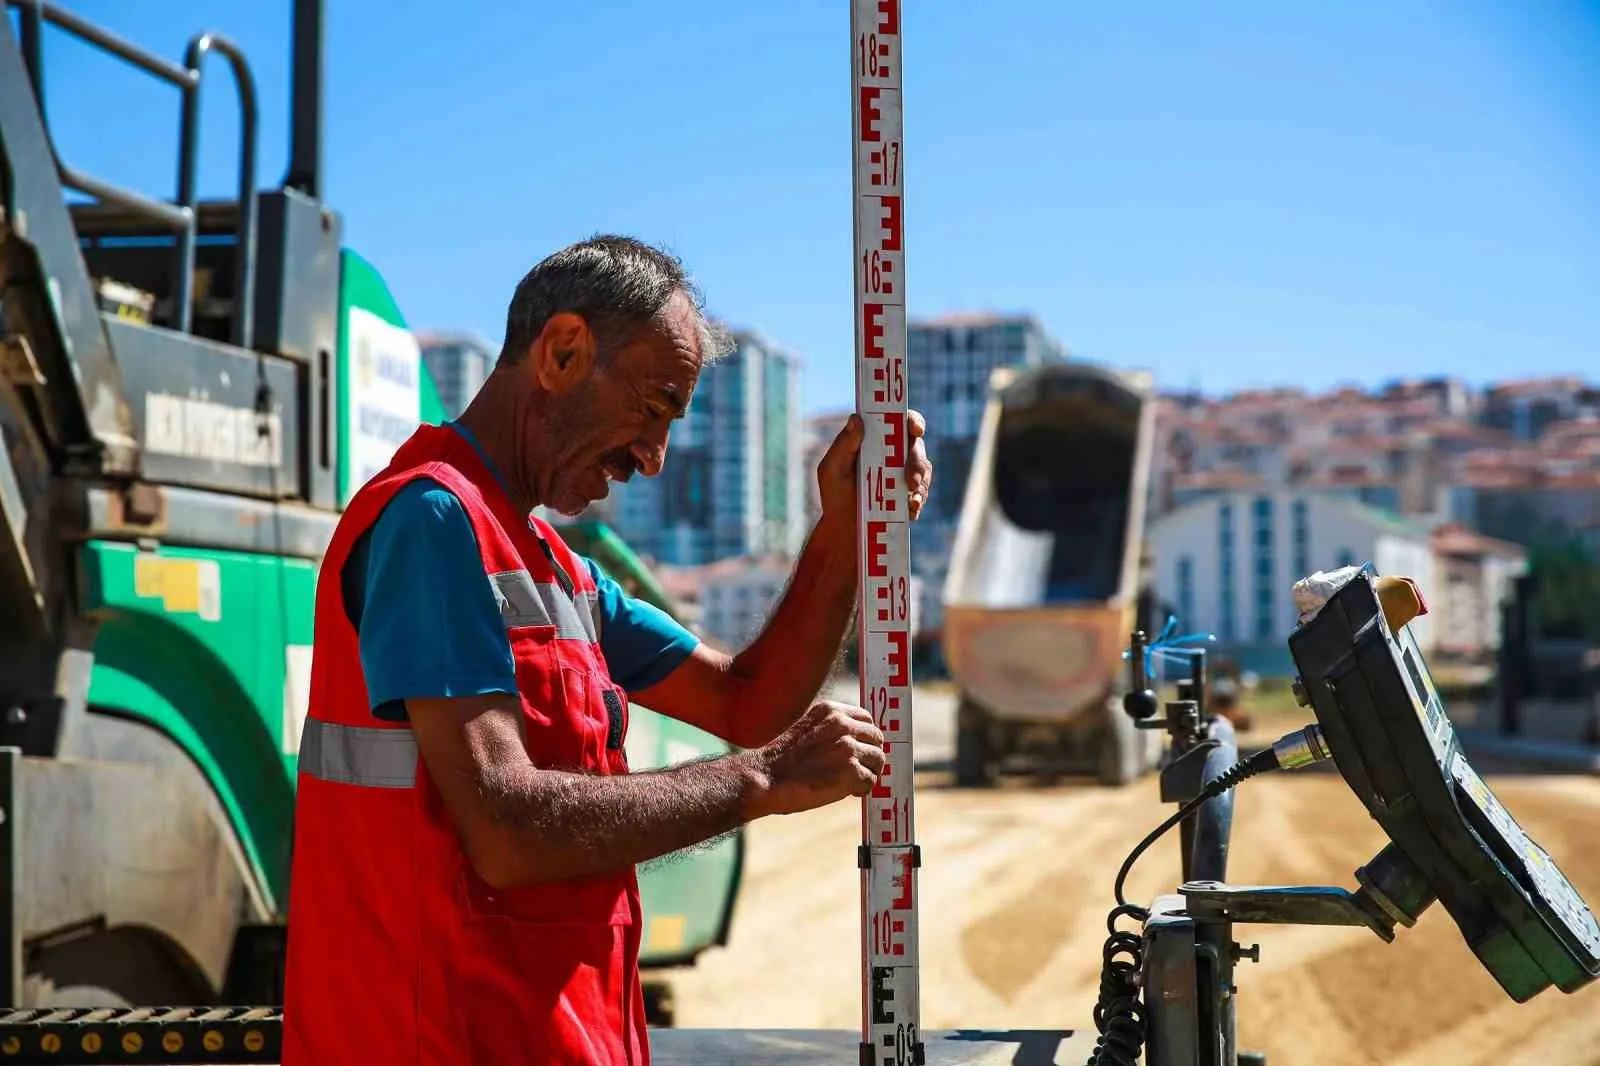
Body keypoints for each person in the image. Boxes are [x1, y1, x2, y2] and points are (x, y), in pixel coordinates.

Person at [281, 235, 934, 1066]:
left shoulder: (559, 571)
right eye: (654, 405)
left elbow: (746, 699)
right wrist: (762, 778)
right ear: (561, 351)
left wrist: (843, 535)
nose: (653, 458)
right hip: (445, 1040)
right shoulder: (432, 521)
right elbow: (507, 828)